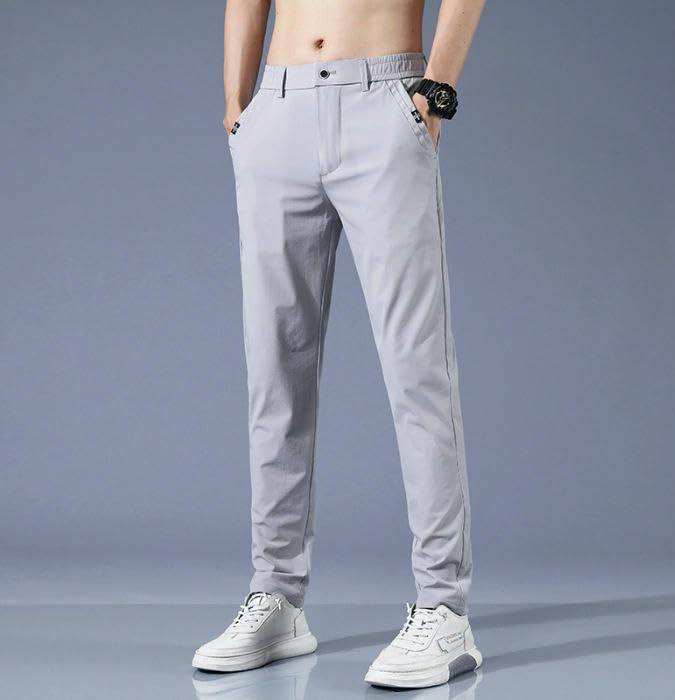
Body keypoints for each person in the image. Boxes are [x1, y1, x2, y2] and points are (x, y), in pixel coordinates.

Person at [192, 0, 486, 689]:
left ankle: (444, 606)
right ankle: (277, 596)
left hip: (385, 99)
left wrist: (435, 90)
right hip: (278, 108)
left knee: (418, 369)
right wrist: (239, 106)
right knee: (275, 372)